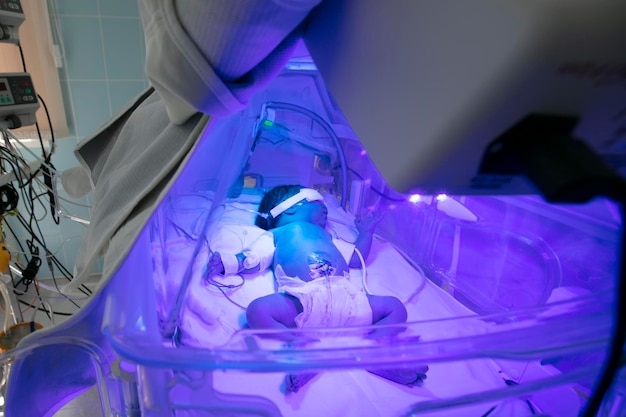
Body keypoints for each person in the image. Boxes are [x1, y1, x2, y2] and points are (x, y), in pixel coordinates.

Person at [206, 185, 428, 392]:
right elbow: (254, 257)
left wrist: (366, 232)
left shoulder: (327, 236)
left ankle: (378, 350)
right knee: (256, 310)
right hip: (303, 299)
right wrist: (228, 263)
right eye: (319, 204)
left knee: (395, 307)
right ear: (290, 209)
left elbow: (355, 257)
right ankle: (301, 345)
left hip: (349, 298)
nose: (326, 211)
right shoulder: (280, 233)